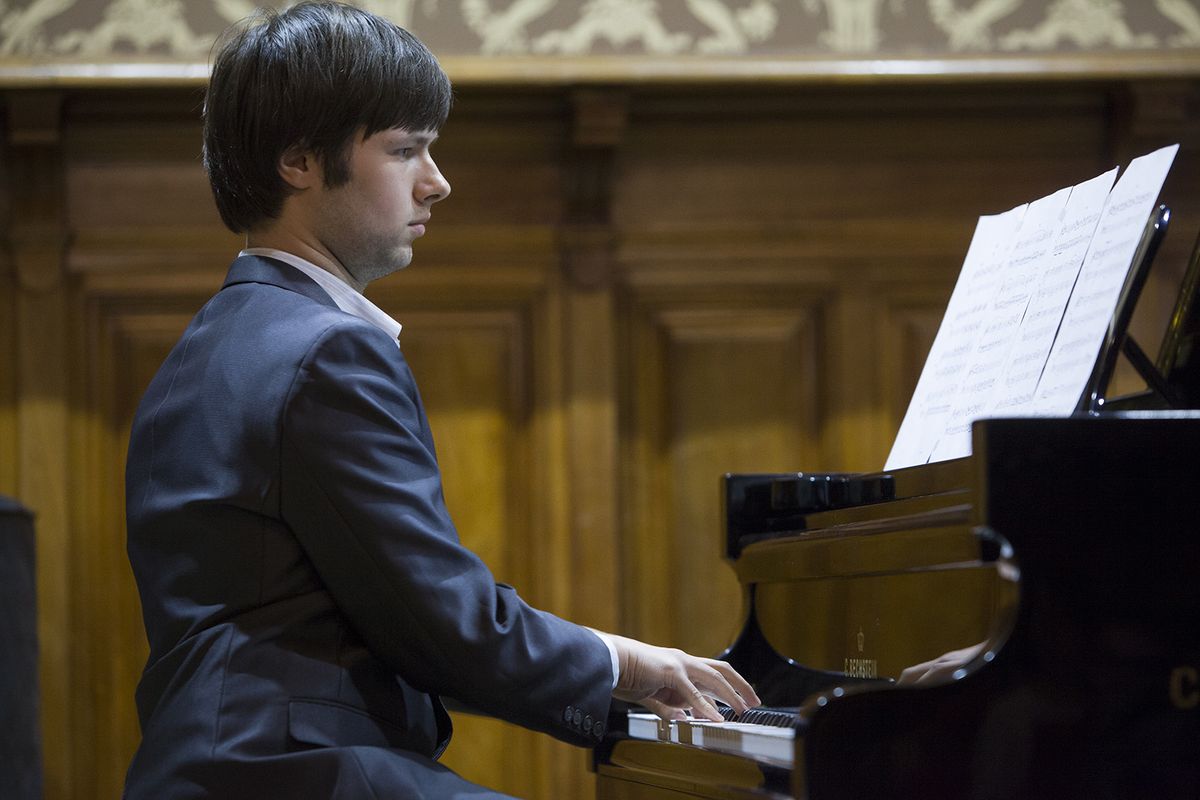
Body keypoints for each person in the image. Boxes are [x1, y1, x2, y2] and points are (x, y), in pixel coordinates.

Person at [122, 3, 759, 798]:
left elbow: (390, 619)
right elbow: (444, 624)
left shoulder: (201, 352)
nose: (437, 182)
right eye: (405, 150)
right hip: (290, 769)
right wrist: (624, 662)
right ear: (299, 161)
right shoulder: (326, 352)